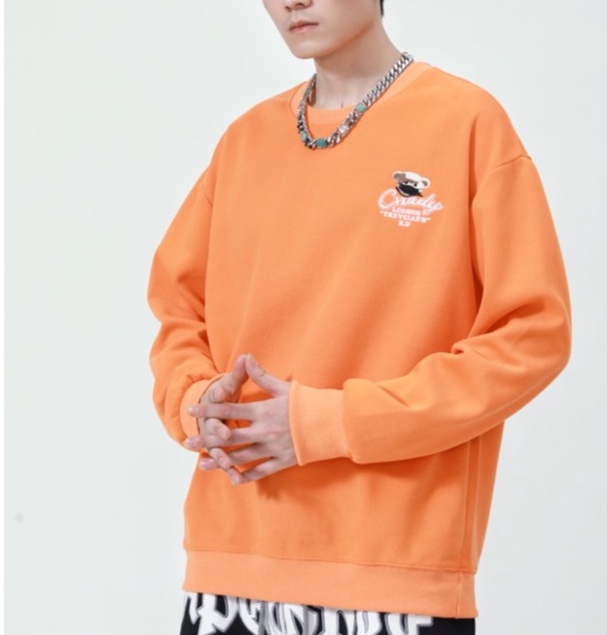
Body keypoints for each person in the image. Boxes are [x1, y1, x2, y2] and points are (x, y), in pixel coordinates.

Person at [148, 1, 571, 633]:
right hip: (229, 572)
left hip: (394, 576)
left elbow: (532, 336)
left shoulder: (465, 124)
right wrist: (196, 402)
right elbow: (178, 309)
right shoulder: (244, 142)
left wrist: (329, 423)